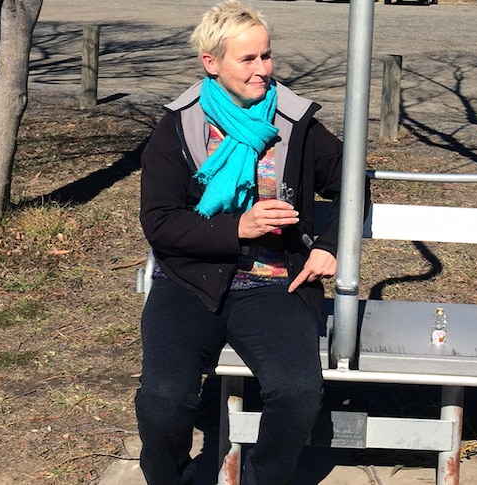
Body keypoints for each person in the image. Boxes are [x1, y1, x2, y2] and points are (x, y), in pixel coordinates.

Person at [136, 2, 359, 483]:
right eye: (248, 59)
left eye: (267, 56)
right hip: (189, 281)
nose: (262, 70)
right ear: (211, 63)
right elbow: (158, 222)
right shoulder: (179, 125)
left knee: (298, 392)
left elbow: (352, 182)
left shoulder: (294, 121)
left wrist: (328, 244)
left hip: (275, 283)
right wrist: (237, 228)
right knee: (162, 399)